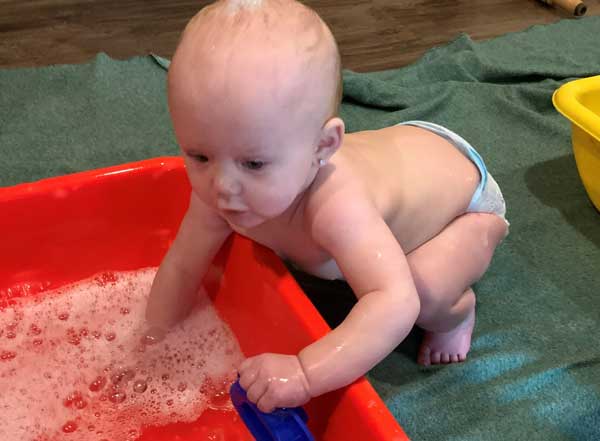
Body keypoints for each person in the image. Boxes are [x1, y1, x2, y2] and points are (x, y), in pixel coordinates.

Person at [145, 0, 509, 413]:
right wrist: (153, 337)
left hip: (464, 196)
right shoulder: (225, 183)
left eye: (254, 163)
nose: (223, 186)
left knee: (424, 293)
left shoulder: (336, 203)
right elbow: (182, 265)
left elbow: (393, 301)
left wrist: (305, 372)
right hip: (400, 152)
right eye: (199, 156)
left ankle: (460, 312)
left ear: (322, 148)